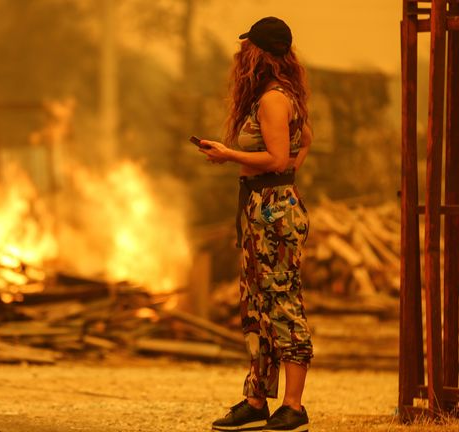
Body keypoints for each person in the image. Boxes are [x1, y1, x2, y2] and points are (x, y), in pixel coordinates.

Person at [198, 16, 313, 432]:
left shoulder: (273, 100)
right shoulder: (276, 96)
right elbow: (303, 145)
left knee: (282, 301)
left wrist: (230, 156)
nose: (240, 55)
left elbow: (280, 159)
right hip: (261, 205)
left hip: (272, 210)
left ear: (259, 53)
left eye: (247, 48)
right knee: (257, 306)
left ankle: (294, 406)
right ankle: (256, 398)